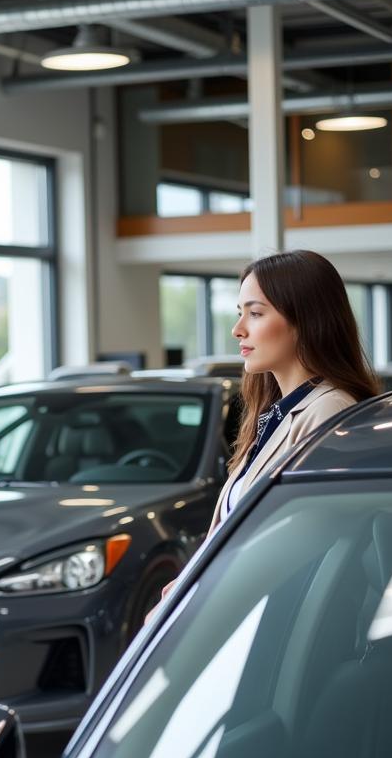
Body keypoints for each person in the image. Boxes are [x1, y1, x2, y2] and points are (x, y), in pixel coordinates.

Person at [148, 249, 380, 621]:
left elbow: (302, 542)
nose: (238, 329)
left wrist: (197, 594)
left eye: (255, 313)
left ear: (305, 320)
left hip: (281, 622)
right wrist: (189, 583)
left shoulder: (328, 410)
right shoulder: (276, 411)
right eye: (241, 313)